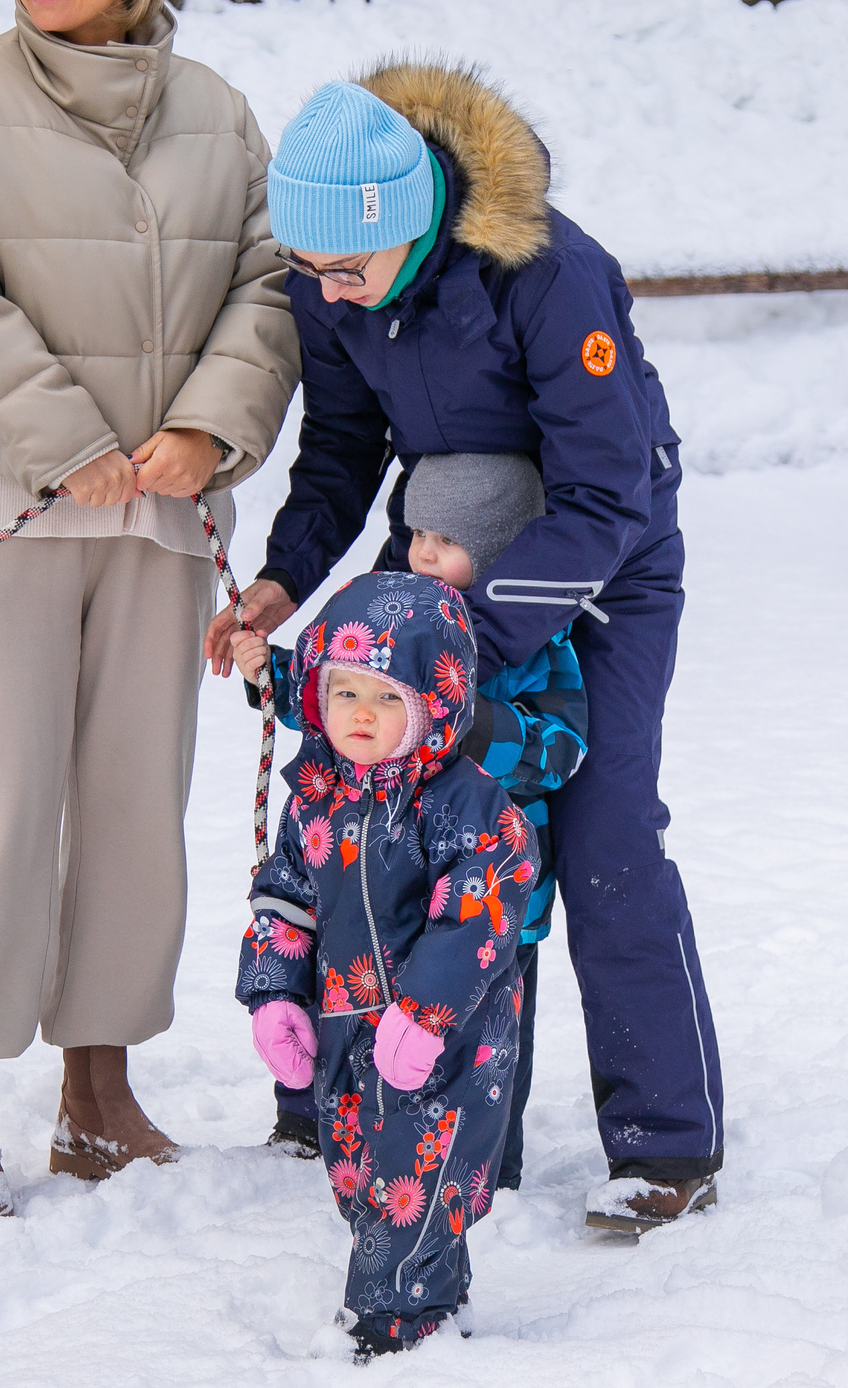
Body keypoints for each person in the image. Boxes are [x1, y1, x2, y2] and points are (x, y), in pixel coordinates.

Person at [206, 67, 723, 1229]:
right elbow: (341, 447)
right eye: (307, 268)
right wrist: (284, 584)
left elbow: (605, 492)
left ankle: (665, 1142)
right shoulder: (332, 280)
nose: (326, 292)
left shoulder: (546, 272)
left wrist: (459, 649)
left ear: (408, 221)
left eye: (347, 268)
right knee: (398, 827)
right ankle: (403, 1106)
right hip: (440, 552)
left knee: (600, 831)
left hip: (601, 563)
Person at [0, 0, 297, 1230]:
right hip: (2, 504)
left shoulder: (217, 114)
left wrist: (204, 431)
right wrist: (66, 441)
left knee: (131, 806)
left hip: (162, 512)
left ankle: (98, 1095)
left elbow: (271, 287)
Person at [229, 450, 584, 1188]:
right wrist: (273, 672)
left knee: (484, 1026)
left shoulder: (535, 645)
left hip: (486, 900)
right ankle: (326, 1122)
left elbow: (560, 749)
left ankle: (491, 1162)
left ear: (501, 552)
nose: (424, 551)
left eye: (448, 540)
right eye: (418, 532)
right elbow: (341, 698)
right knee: (356, 1004)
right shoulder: (387, 623)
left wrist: (467, 723)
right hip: (381, 883)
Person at [236, 571, 540, 1358]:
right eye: (344, 692)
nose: (361, 714)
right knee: (363, 1175)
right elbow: (286, 899)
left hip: (450, 1038)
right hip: (348, 1031)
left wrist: (428, 1010)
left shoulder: (465, 805)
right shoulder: (315, 797)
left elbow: (481, 907)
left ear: (435, 703)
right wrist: (275, 994)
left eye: (386, 696)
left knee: (416, 1183)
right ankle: (439, 1296)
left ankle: (393, 1327)